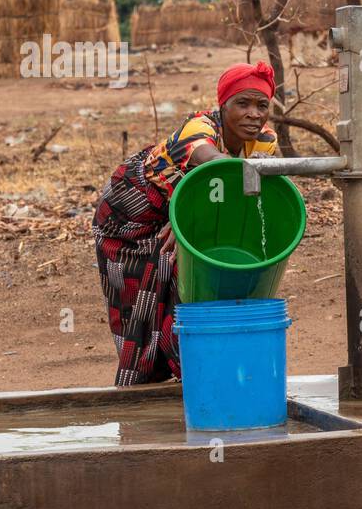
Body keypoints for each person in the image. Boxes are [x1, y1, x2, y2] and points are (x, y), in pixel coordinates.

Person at [92, 61, 280, 385]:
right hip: (129, 217)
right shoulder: (200, 128)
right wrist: (186, 219)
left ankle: (189, 375)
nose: (253, 114)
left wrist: (187, 220)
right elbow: (211, 162)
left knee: (187, 286)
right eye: (243, 104)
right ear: (223, 105)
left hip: (184, 209)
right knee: (140, 297)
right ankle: (148, 380)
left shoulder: (263, 141)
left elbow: (238, 195)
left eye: (262, 105)